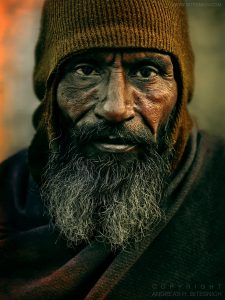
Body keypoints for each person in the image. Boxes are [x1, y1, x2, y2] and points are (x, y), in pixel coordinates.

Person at [0, 0, 225, 298]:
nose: (116, 108)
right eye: (86, 69)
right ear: (49, 86)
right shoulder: (7, 192)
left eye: (146, 72)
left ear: (181, 89)